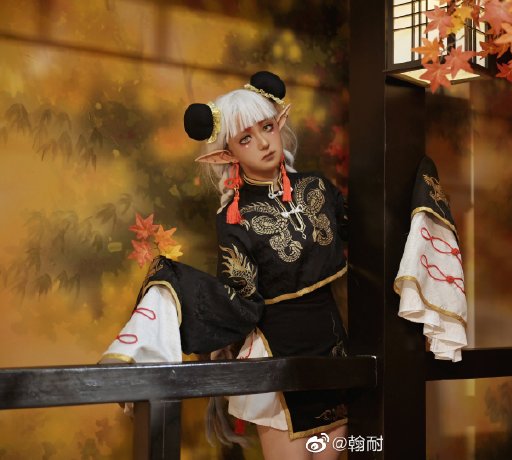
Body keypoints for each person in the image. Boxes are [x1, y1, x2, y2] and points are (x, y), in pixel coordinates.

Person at [100, 71, 349, 460]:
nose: (263, 143)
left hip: (333, 349)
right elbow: (240, 297)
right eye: (245, 138)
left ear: (280, 125)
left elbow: (364, 234)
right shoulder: (235, 216)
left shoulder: (317, 187)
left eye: (267, 127)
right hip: (278, 357)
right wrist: (178, 292)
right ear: (227, 153)